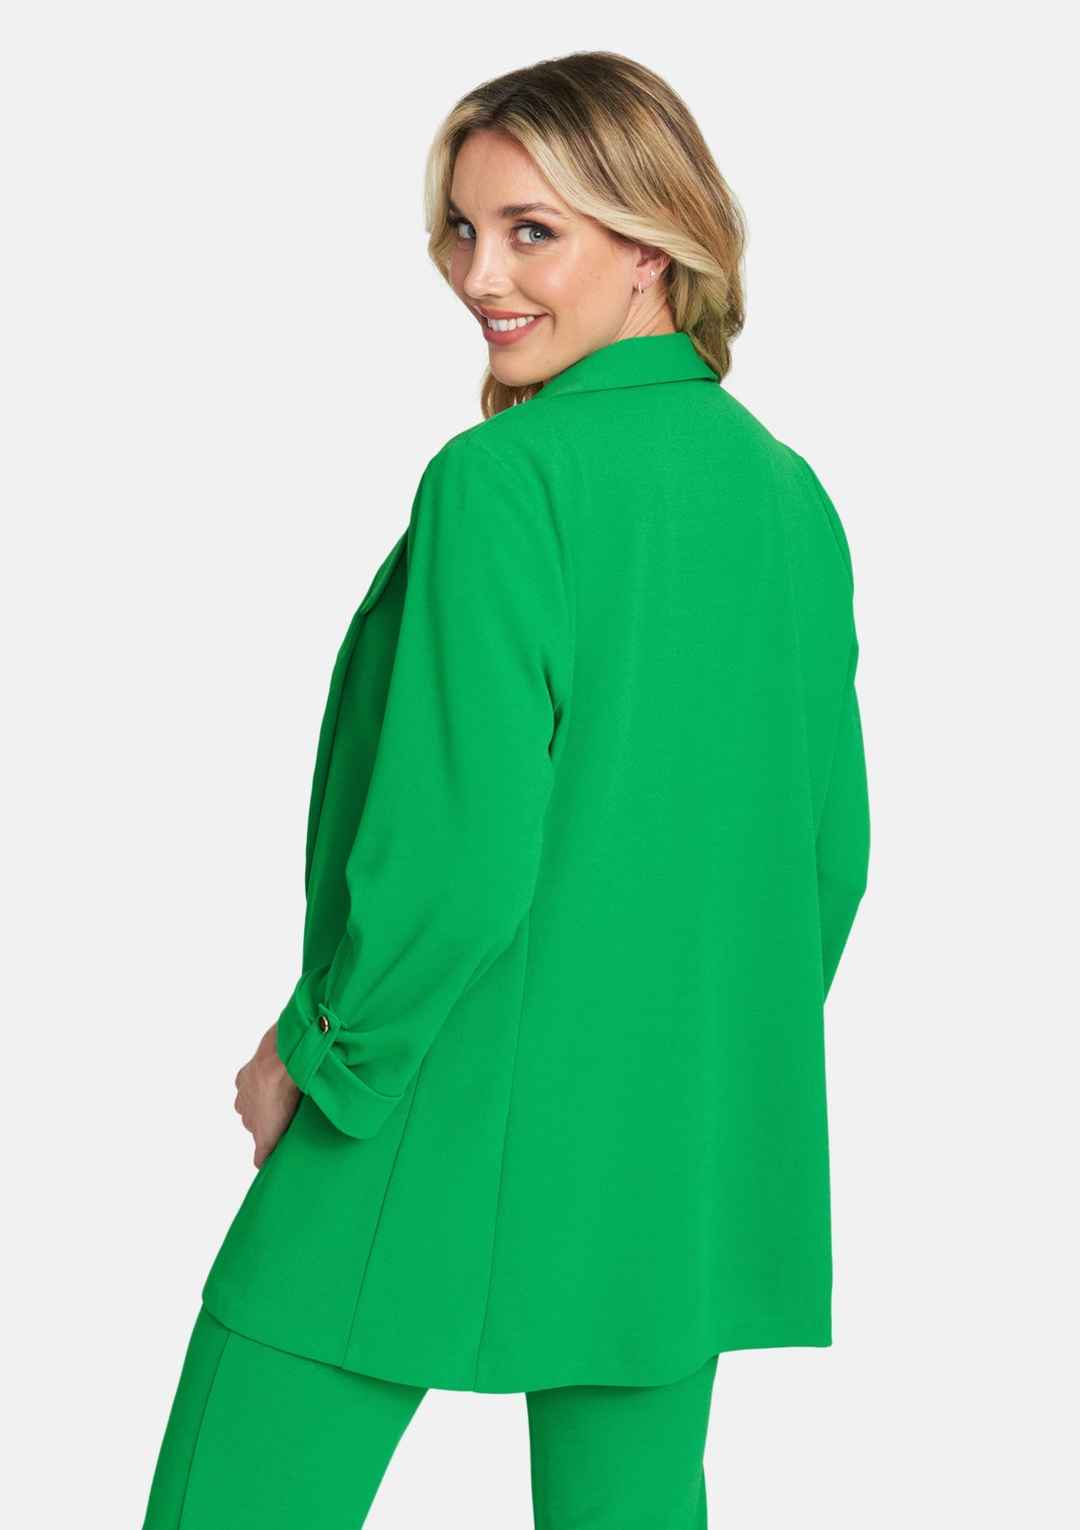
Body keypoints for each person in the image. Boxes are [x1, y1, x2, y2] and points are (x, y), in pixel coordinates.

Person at [141, 48, 871, 1530]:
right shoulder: (788, 496)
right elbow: (826, 855)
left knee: (236, 1491)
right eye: (463, 230)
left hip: (421, 1088)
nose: (482, 275)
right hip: (662, 1137)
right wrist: (677, 1060)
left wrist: (319, 1051)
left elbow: (457, 856)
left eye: (534, 230)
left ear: (653, 245)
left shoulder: (502, 481)